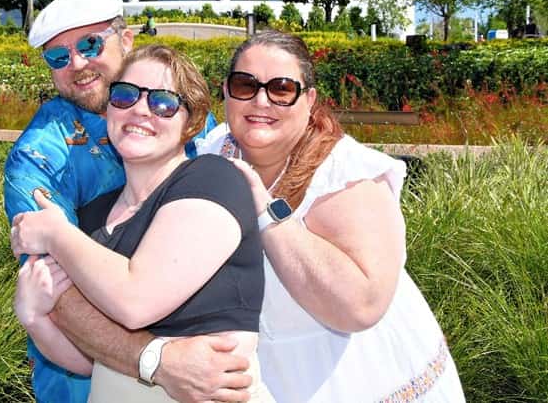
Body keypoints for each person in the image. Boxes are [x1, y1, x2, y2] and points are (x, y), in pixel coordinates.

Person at [195, 30, 466, 402]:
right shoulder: (216, 148)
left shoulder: (348, 178)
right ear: (225, 91)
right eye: (246, 85)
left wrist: (265, 211)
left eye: (281, 89)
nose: (261, 100)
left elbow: (361, 306)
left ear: (308, 100)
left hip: (357, 381)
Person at [4, 0, 238, 403]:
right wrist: (159, 363)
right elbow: (56, 293)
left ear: (127, 39)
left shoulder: (184, 117)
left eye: (90, 44)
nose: (76, 64)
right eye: (57, 57)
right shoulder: (39, 156)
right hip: (85, 385)